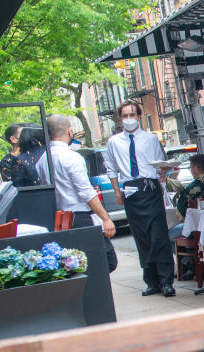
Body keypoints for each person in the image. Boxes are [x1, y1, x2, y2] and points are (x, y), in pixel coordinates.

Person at [105, 102, 176, 297]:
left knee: (158, 234)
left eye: (132, 114)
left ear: (139, 116)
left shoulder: (150, 139)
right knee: (141, 236)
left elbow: (161, 167)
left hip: (150, 187)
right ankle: (151, 280)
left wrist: (164, 174)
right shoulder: (114, 142)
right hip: (130, 189)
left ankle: (166, 280)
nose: (129, 119)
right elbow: (111, 169)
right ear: (120, 117)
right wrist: (117, 191)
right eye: (125, 115)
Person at [41, 116, 118, 272]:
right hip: (79, 217)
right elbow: (86, 192)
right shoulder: (71, 157)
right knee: (105, 260)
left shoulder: (42, 159)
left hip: (60, 217)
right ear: (70, 131)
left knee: (75, 262)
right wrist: (105, 218)